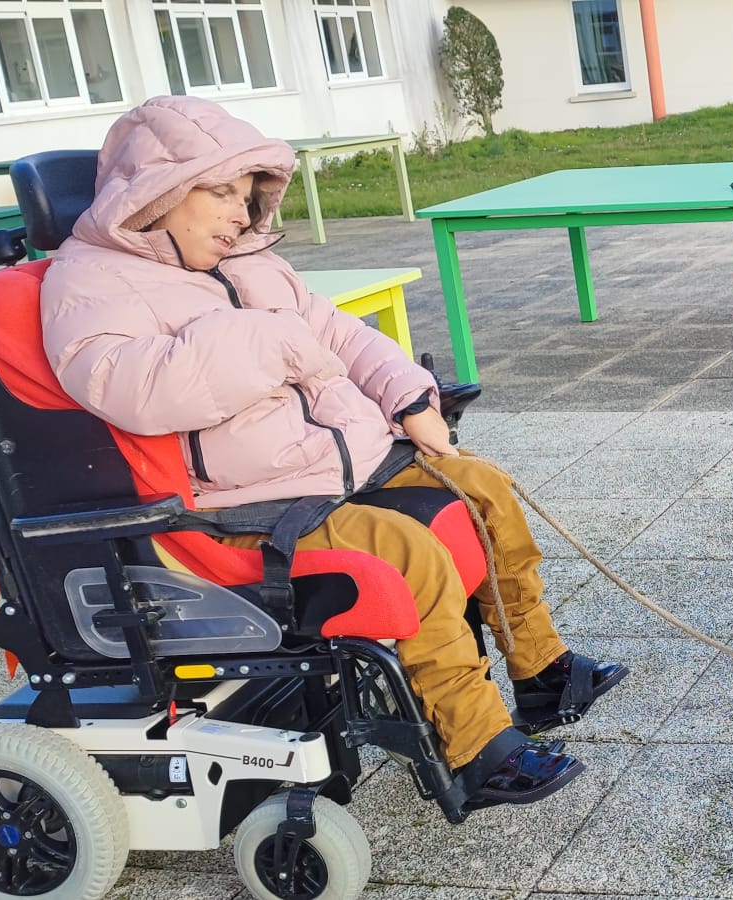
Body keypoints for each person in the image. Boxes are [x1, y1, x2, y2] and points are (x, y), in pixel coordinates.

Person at [38, 95, 625, 807]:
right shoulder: (87, 281)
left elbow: (341, 335)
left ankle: (542, 674)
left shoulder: (250, 264)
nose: (241, 215)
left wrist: (409, 398)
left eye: (248, 196)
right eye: (222, 193)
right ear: (157, 193)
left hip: (342, 464)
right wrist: (273, 339)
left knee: (483, 487)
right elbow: (136, 388)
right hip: (249, 502)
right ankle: (475, 748)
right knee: (405, 550)